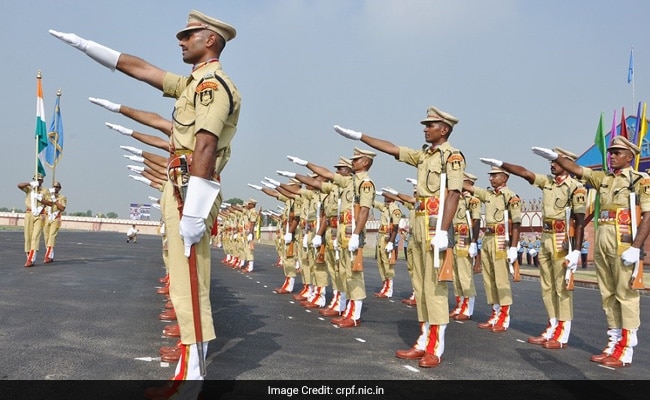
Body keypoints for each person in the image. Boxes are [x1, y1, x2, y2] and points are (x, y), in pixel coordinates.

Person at [51, 9, 241, 390]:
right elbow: (142, 70)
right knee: (183, 284)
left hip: (192, 188)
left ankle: (192, 379)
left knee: (190, 282)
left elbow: (205, 143)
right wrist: (89, 47)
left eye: (189, 34)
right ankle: (189, 372)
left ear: (210, 40)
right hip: (181, 185)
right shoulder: (193, 83)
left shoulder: (212, 86)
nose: (180, 40)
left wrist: (196, 209)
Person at [333, 105, 464, 368]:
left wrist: (442, 231)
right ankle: (424, 339)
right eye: (425, 125)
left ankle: (435, 348)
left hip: (433, 225)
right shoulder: (424, 154)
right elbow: (392, 148)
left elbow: (453, 194)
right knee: (421, 286)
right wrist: (361, 136)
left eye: (430, 125)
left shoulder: (452, 157)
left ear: (445, 129)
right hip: (417, 224)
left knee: (435, 288)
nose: (425, 129)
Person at [533, 136, 650, 368]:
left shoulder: (639, 180)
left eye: (618, 152)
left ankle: (625, 350)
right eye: (611, 152)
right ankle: (613, 343)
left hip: (623, 243)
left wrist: (636, 248)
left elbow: (648, 214)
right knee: (607, 296)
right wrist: (557, 158)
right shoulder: (603, 178)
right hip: (604, 241)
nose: (612, 155)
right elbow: (577, 169)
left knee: (625, 295)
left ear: (630, 157)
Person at [480, 147, 587, 349]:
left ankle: (562, 333)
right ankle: (552, 325)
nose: (552, 164)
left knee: (561, 286)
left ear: (567, 164)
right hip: (545, 238)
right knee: (547, 287)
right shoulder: (547, 182)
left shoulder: (576, 188)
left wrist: (576, 251)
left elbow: (580, 220)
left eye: (556, 161)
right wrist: (502, 163)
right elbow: (525, 173)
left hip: (562, 239)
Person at [286, 147, 377, 328]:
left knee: (354, 274)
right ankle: (346, 309)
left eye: (356, 160)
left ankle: (354, 315)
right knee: (343, 273)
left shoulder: (365, 183)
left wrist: (356, 235)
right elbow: (324, 175)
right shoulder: (348, 184)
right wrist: (303, 166)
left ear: (366, 162)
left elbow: (364, 211)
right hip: (342, 232)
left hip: (352, 233)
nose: (352, 162)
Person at [463, 166, 521, 333]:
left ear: (505, 177)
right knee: (489, 279)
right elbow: (467, 186)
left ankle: (504, 316)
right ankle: (495, 313)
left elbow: (516, 223)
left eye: (494, 175)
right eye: (490, 175)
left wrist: (514, 247)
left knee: (501, 279)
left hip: (501, 239)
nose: (490, 178)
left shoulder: (511, 197)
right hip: (487, 238)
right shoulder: (487, 194)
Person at [449, 172, 482, 321]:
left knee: (464, 276)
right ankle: (460, 304)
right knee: (455, 276)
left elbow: (476, 222)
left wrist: (474, 242)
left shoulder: (472, 200)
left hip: (465, 240)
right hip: (455, 240)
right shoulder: (457, 199)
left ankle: (468, 309)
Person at [372, 191, 402, 298]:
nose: (384, 198)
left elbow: (395, 226)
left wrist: (391, 241)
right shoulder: (385, 207)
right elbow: (374, 203)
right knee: (380, 262)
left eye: (386, 196)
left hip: (387, 237)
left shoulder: (394, 208)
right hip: (381, 236)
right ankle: (384, 285)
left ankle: (389, 288)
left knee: (387, 263)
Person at [17, 173, 49, 267]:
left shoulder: (45, 191)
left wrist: (41, 200)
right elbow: (19, 185)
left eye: (39, 180)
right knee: (28, 237)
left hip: (39, 215)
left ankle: (31, 259)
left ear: (42, 180)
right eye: (36, 179)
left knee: (35, 236)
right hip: (29, 213)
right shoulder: (29, 189)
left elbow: (50, 203)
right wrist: (30, 184)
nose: (38, 181)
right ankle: (29, 256)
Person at [41, 181, 67, 263]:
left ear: (60, 189)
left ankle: (47, 255)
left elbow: (62, 208)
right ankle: (50, 254)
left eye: (57, 187)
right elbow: (43, 204)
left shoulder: (62, 197)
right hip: (46, 217)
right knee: (46, 237)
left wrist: (55, 200)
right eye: (54, 186)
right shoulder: (47, 195)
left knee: (52, 236)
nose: (55, 188)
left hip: (55, 218)